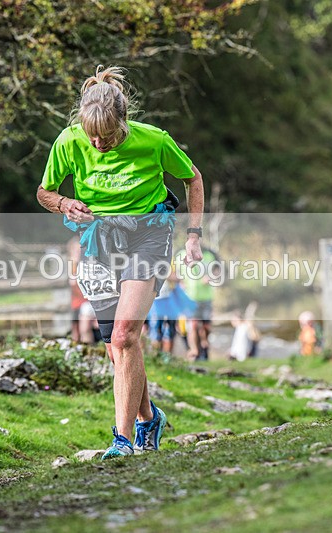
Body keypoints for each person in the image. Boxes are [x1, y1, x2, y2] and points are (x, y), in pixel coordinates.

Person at [37, 65, 204, 459]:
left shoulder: (154, 140)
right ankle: (150, 418)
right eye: (91, 134)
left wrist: (194, 234)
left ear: (122, 122)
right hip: (99, 239)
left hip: (149, 233)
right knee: (117, 346)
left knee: (125, 336)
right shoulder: (69, 141)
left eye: (106, 135)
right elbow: (44, 191)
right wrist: (64, 203)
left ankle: (122, 439)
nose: (97, 143)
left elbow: (192, 178)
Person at [176, 247, 219, 360]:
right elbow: (175, 272)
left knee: (206, 327)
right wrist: (179, 282)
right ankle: (194, 351)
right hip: (189, 297)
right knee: (193, 325)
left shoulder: (209, 255)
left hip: (206, 297)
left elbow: (217, 270)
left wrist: (211, 276)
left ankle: (204, 345)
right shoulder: (181, 254)